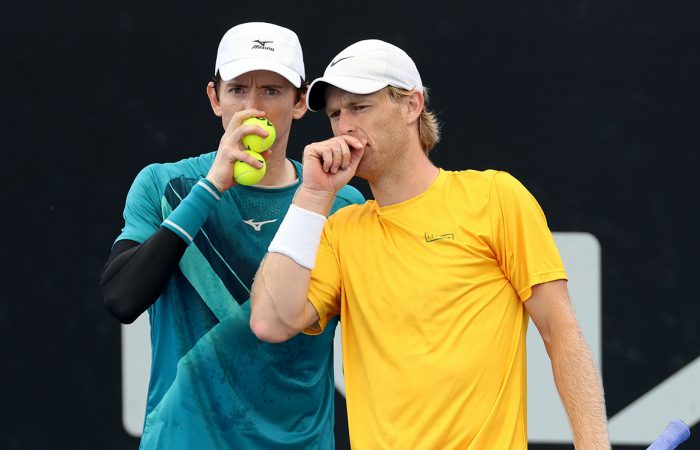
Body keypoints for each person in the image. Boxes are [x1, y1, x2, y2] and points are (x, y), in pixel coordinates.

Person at [250, 39, 611, 449]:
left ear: (412, 105)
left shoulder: (495, 197)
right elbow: (270, 322)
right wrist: (313, 196)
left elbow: (560, 332)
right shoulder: (340, 230)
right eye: (335, 113)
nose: (344, 126)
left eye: (360, 107)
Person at [99, 22, 363, 449]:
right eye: (238, 89)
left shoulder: (340, 203)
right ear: (214, 98)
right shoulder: (165, 185)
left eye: (272, 92)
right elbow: (122, 298)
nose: (253, 108)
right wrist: (210, 186)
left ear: (299, 102)